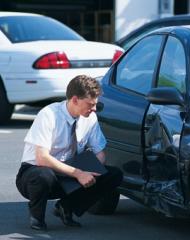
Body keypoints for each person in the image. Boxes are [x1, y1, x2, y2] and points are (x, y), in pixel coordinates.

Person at [15, 75, 123, 231]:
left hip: (69, 169)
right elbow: (42, 158)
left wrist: (93, 172)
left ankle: (66, 207)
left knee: (113, 174)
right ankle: (37, 217)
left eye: (95, 105)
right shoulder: (49, 114)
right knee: (43, 175)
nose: (93, 109)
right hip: (35, 173)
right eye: (90, 104)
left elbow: (100, 154)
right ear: (74, 100)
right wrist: (79, 174)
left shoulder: (90, 117)